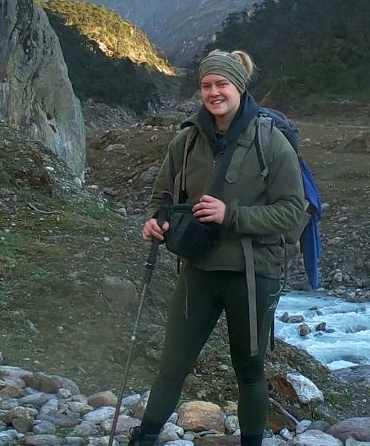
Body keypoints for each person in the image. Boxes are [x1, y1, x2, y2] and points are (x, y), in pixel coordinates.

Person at [129, 49, 306, 446]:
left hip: (253, 273)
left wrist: (232, 215)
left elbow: (293, 212)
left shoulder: (271, 142)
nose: (214, 92)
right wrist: (156, 221)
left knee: (249, 369)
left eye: (221, 84)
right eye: (207, 85)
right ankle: (145, 438)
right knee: (172, 365)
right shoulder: (186, 140)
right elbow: (161, 197)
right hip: (198, 269)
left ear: (238, 87)